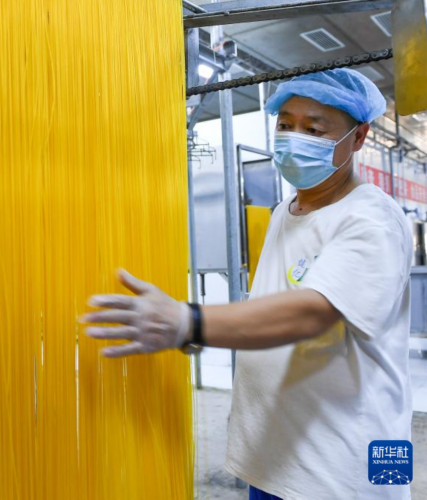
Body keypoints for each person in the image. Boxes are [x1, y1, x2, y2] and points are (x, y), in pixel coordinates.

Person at [80, 68, 413, 500]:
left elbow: (313, 313)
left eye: (314, 130)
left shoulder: (370, 219)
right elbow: (276, 307)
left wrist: (189, 322)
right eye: (285, 125)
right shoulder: (283, 213)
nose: (293, 138)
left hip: (339, 472)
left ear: (359, 137)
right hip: (274, 460)